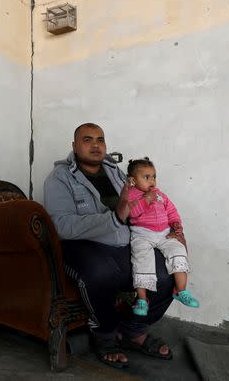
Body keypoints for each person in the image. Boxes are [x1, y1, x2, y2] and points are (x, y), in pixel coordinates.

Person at [43, 123, 179, 369]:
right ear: (74, 146)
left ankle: (132, 331)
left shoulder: (116, 172)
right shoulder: (59, 178)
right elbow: (61, 225)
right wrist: (113, 218)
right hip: (83, 247)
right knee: (102, 273)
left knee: (170, 270)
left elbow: (144, 206)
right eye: (87, 139)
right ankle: (105, 334)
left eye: (100, 139)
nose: (95, 145)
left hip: (126, 242)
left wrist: (171, 230)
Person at [126, 157, 199, 317]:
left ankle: (180, 291)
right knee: (141, 259)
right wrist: (146, 200)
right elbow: (131, 213)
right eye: (146, 177)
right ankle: (142, 299)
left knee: (178, 250)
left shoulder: (160, 195)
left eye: (153, 176)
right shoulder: (131, 195)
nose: (152, 181)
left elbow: (172, 212)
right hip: (142, 234)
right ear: (132, 180)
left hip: (164, 233)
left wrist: (176, 224)